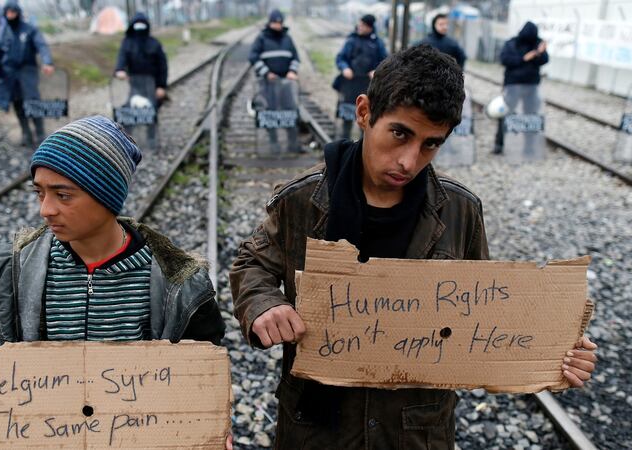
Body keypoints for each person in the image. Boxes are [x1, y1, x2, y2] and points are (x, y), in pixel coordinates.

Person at [230, 45, 597, 449]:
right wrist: (264, 303)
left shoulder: (460, 212)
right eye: (400, 133)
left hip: (414, 432)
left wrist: (555, 353)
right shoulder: (302, 201)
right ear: (365, 112)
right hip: (317, 429)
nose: (408, 160)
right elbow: (251, 263)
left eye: (430, 144)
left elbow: (491, 312)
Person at [0, 116, 230, 449]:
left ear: (107, 196)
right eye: (40, 193)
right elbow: (6, 365)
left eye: (63, 196)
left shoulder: (179, 281)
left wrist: (210, 421)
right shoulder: (19, 267)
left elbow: (201, 371)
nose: (46, 210)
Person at [0, 0, 54, 147]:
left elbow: (42, 46)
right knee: (17, 102)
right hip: (9, 73)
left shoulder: (30, 30)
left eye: (13, 12)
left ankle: (40, 132)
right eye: (8, 12)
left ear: (18, 13)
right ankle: (26, 133)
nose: (10, 15)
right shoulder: (2, 32)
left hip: (27, 70)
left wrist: (47, 62)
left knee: (32, 100)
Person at [249, 9, 302, 154]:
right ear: (269, 22)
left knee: (290, 111)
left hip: (286, 84)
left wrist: (292, 71)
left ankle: (293, 144)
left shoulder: (287, 38)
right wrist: (266, 73)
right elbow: (253, 57)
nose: (277, 25)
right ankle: (274, 144)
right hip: (268, 84)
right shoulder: (261, 38)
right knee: (270, 113)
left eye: (279, 23)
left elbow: (296, 58)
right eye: (274, 23)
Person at [115, 12, 169, 150]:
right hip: (134, 84)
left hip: (152, 84)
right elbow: (121, 58)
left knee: (151, 111)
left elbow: (163, 66)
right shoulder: (127, 43)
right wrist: (120, 70)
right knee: (128, 111)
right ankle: (126, 142)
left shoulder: (154, 44)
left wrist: (161, 86)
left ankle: (152, 140)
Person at [494, 21, 548, 154]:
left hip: (531, 86)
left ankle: (528, 147)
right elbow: (504, 60)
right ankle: (499, 144)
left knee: (530, 117)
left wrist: (540, 52)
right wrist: (524, 58)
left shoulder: (537, 44)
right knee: (506, 114)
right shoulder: (512, 43)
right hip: (514, 85)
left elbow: (545, 60)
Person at [333, 14, 388, 139]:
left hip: (367, 85)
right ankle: (344, 144)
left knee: (365, 119)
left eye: (363, 25)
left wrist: (376, 70)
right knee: (347, 117)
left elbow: (385, 61)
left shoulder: (377, 43)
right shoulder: (351, 40)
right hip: (350, 83)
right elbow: (340, 58)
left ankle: (363, 149)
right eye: (360, 24)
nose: (360, 27)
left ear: (369, 27)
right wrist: (344, 68)